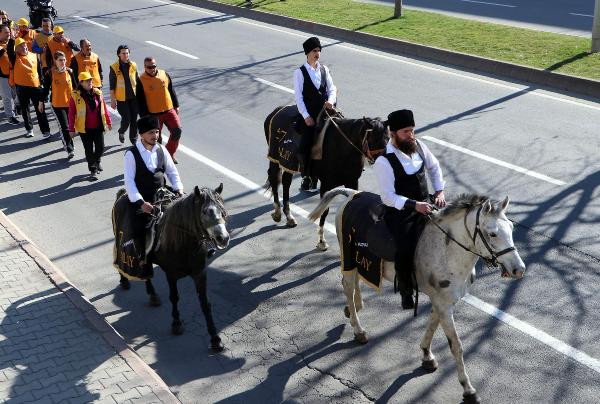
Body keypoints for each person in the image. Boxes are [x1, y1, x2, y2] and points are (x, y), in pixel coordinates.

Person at [373, 109, 446, 309]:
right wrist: (415, 205)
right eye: (406, 131)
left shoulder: (420, 146)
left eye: (412, 130)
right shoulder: (383, 162)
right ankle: (406, 290)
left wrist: (439, 192)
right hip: (401, 213)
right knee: (405, 247)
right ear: (392, 133)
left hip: (427, 204)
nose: (411, 135)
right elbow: (387, 197)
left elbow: (434, 167)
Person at [123, 115, 183, 276]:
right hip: (142, 200)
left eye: (157, 132)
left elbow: (172, 172)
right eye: (151, 133)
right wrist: (141, 203)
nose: (155, 136)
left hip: (162, 195)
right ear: (142, 135)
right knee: (138, 228)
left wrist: (178, 190)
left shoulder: (162, 150)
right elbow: (129, 182)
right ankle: (143, 259)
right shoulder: (131, 154)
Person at [293, 36, 337, 191]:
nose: (317, 53)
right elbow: (298, 97)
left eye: (319, 50)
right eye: (314, 51)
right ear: (307, 53)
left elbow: (332, 89)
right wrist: (306, 117)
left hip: (327, 112)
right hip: (310, 116)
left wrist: (331, 101)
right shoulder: (299, 73)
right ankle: (306, 176)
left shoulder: (325, 69)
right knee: (306, 145)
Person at [68, 72, 112, 180]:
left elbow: (104, 108)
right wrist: (71, 129)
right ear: (81, 82)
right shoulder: (75, 96)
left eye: (91, 80)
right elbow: (71, 113)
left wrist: (108, 121)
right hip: (84, 128)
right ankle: (92, 169)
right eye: (87, 81)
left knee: (100, 148)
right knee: (88, 149)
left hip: (98, 126)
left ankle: (97, 161)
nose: (90, 82)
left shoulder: (98, 93)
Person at [136, 57, 181, 162]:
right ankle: (157, 159)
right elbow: (140, 101)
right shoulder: (141, 80)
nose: (152, 69)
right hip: (153, 114)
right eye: (149, 67)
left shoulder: (164, 74)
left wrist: (176, 105)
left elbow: (171, 89)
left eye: (154, 66)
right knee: (156, 139)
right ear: (145, 67)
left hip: (169, 110)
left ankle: (169, 154)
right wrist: (145, 117)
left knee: (177, 131)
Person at [8, 37, 51, 138]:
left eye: (24, 45)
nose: (24, 47)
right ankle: (29, 129)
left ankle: (46, 131)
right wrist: (12, 38)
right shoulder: (15, 57)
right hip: (21, 88)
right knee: (25, 109)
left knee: (40, 109)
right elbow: (10, 50)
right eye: (21, 46)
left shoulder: (34, 55)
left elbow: (39, 70)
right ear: (16, 49)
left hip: (36, 86)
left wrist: (42, 83)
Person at [42, 51, 75, 159]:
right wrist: (40, 102)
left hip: (70, 104)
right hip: (57, 105)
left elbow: (76, 88)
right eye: (60, 60)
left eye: (64, 59)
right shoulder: (50, 73)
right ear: (55, 61)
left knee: (71, 127)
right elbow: (45, 90)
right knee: (64, 127)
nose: (63, 62)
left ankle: (66, 142)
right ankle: (69, 149)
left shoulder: (70, 72)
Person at [109, 45, 138, 144]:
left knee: (134, 119)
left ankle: (133, 140)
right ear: (118, 54)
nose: (126, 55)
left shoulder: (133, 65)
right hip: (122, 99)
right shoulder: (114, 67)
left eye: (127, 53)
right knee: (127, 119)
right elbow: (112, 86)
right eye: (123, 53)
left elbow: (137, 81)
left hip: (134, 97)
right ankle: (121, 131)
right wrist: (113, 100)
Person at [0, 24, 19, 125]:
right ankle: (10, 116)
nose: (8, 34)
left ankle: (15, 109)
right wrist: (4, 49)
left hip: (14, 73)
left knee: (14, 95)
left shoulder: (11, 42)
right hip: (2, 76)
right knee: (7, 97)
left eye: (9, 32)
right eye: (6, 32)